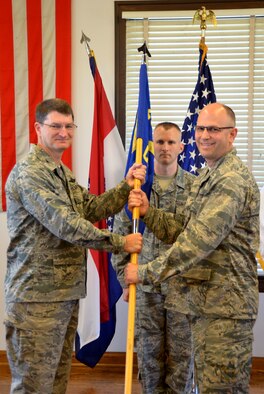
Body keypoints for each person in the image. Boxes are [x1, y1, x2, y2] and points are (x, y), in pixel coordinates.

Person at [4, 98, 145, 394]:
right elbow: (66, 224)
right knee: (34, 386)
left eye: (69, 126)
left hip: (62, 294)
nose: (64, 132)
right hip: (36, 298)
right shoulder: (31, 173)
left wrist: (125, 185)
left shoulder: (59, 172)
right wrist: (121, 242)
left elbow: (91, 208)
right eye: (56, 126)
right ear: (38, 129)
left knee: (55, 382)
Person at [125, 103, 260, 393]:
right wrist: (150, 213)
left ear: (232, 134)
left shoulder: (230, 180)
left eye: (214, 129)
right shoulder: (210, 177)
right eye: (200, 128)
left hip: (225, 307)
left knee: (220, 388)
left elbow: (197, 241)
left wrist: (144, 272)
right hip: (206, 304)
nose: (205, 135)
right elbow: (183, 228)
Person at [112, 122, 194, 393]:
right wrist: (125, 280)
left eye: (171, 142)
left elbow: (194, 238)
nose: (165, 148)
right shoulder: (136, 187)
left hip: (183, 287)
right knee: (149, 357)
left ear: (182, 146)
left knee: (182, 358)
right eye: (159, 142)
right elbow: (119, 238)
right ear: (151, 146)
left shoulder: (195, 189)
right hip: (145, 289)